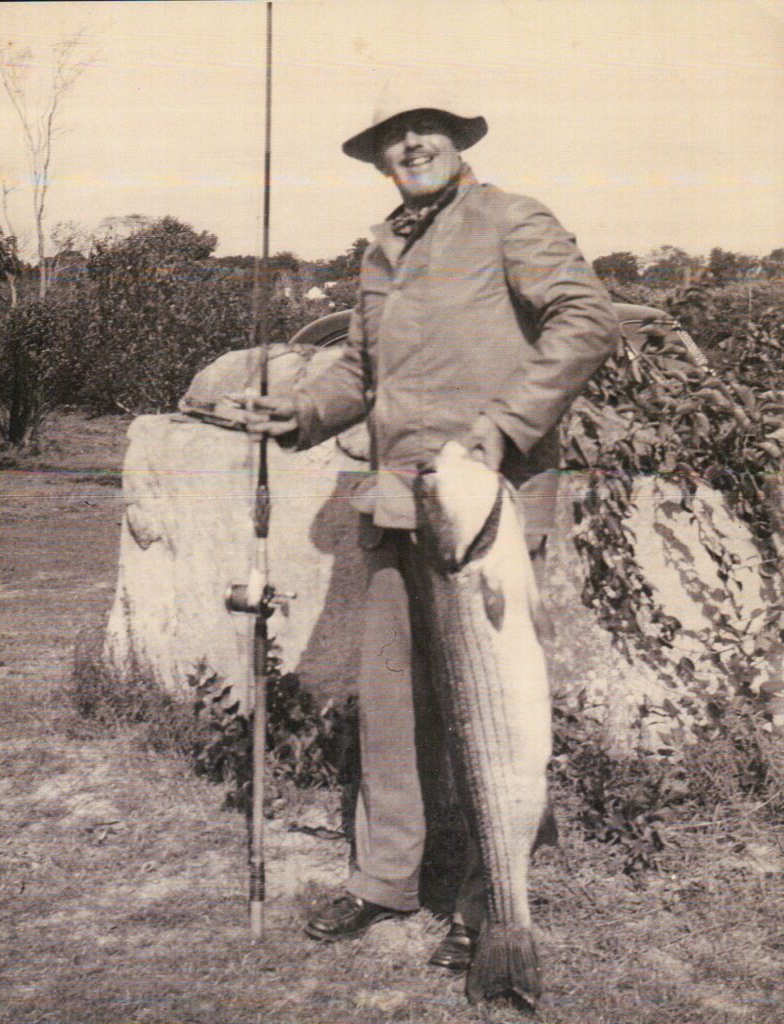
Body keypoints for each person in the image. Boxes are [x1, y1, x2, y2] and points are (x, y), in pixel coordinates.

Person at [236, 81, 620, 971]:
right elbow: (360, 372)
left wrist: (502, 427)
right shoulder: (379, 250)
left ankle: (487, 904)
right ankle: (384, 879)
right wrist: (294, 413)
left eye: (427, 129)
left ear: (454, 139)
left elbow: (586, 319)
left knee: (496, 714)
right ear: (377, 155)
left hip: (485, 509)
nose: (411, 144)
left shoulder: (510, 219)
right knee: (394, 707)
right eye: (392, 136)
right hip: (393, 509)